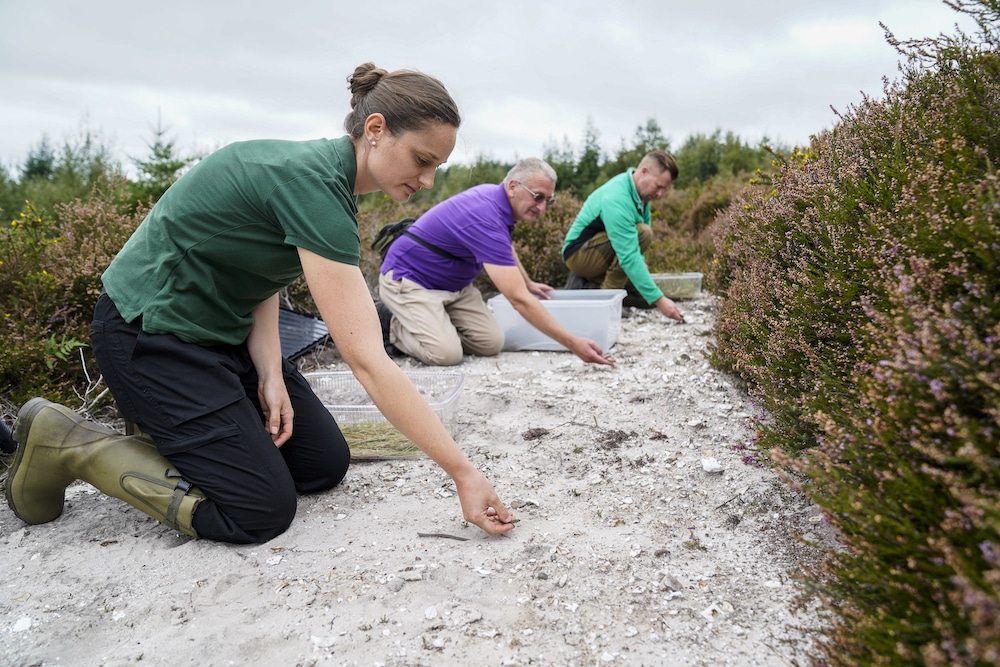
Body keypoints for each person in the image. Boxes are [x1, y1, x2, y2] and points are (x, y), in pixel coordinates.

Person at [4, 63, 516, 544]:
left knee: (320, 465)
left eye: (437, 167)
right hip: (149, 335)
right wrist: (462, 472)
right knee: (260, 510)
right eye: (422, 160)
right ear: (376, 128)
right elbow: (367, 360)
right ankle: (69, 440)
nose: (427, 180)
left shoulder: (324, 178)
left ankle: (184, 433)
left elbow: (260, 272)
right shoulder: (312, 185)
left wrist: (271, 371)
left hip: (223, 336)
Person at [377, 158, 615, 368]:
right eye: (538, 197)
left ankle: (432, 322)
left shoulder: (497, 199)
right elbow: (518, 300)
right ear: (513, 187)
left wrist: (528, 282)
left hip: (454, 288)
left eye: (548, 201)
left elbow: (505, 245)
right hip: (410, 281)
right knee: (445, 354)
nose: (542, 207)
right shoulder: (485, 215)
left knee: (490, 343)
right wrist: (573, 344)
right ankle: (392, 324)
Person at [561, 150, 686, 323]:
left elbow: (635, 252)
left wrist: (652, 291)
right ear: (644, 172)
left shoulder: (641, 196)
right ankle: (606, 301)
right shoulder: (617, 197)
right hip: (578, 255)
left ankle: (589, 286)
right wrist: (661, 301)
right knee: (643, 234)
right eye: (659, 187)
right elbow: (628, 255)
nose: (660, 194)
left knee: (644, 298)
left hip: (601, 253)